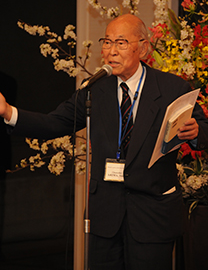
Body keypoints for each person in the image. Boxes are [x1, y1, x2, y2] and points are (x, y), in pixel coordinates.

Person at [0, 14, 208, 270]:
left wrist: (197, 132)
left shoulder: (173, 87)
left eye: (120, 43)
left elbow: (204, 131)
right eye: (107, 42)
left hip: (153, 215)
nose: (111, 51)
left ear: (143, 47)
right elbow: (54, 123)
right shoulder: (94, 90)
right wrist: (9, 112)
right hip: (105, 215)